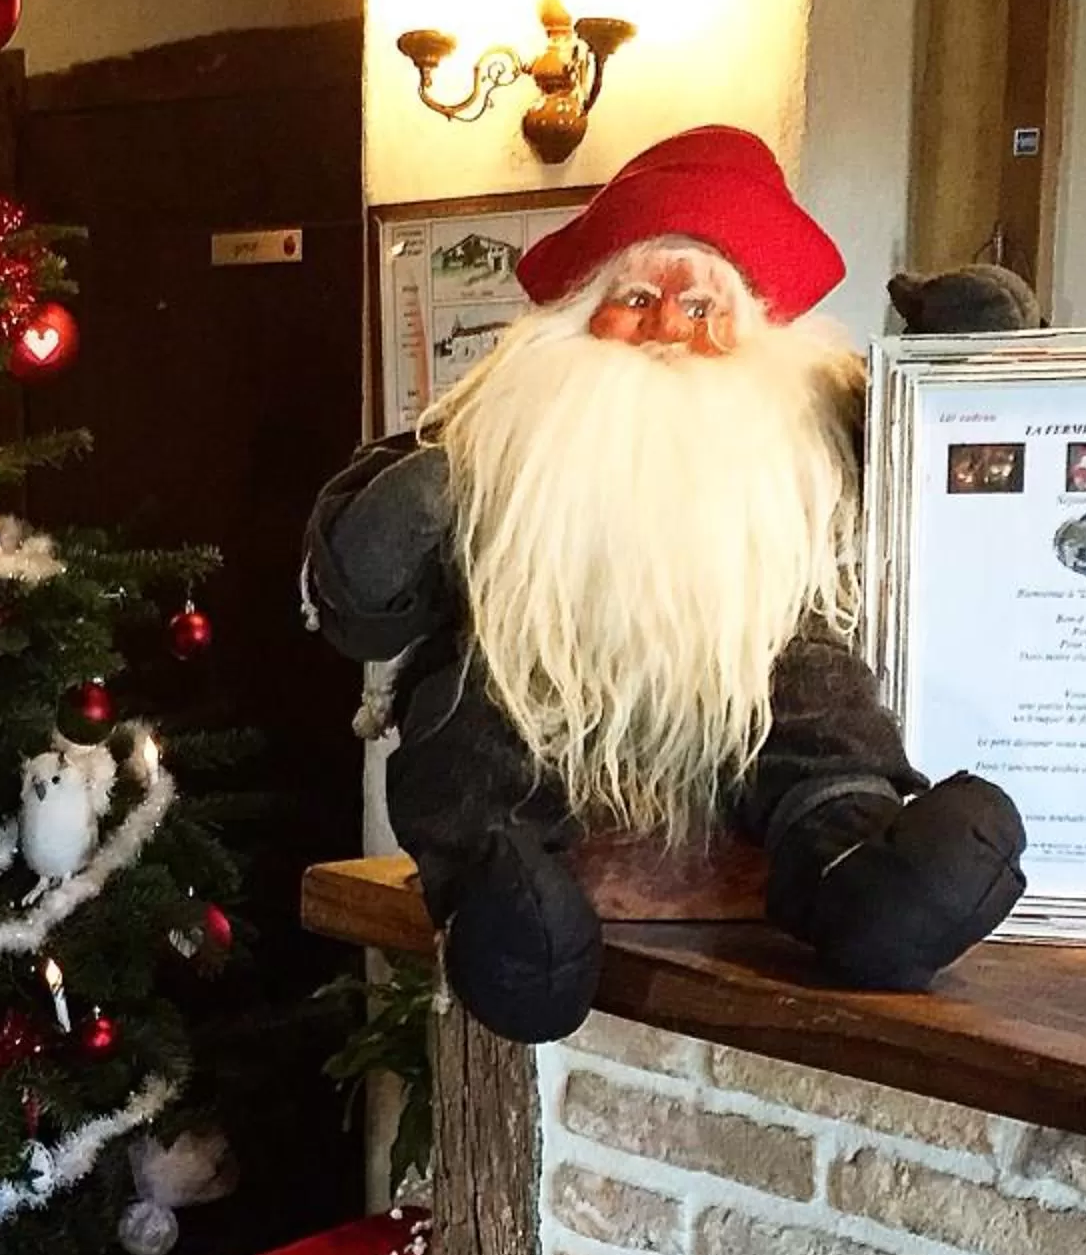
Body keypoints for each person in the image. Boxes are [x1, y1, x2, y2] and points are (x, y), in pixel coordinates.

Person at [304, 126, 1026, 1041]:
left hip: (756, 664)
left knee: (817, 704)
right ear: (582, 315)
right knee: (470, 726)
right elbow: (359, 596)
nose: (667, 331)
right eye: (638, 299)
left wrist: (955, 364)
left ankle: (857, 874)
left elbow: (955, 461)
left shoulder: (814, 418)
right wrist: (415, 506)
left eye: (701, 308)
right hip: (533, 673)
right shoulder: (494, 430)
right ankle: (501, 896)